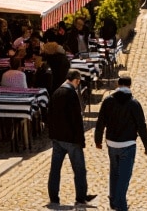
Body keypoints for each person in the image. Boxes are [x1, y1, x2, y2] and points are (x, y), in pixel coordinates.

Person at [95, 75, 147, 211]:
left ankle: (113, 200)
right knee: (124, 176)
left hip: (111, 143)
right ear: (130, 86)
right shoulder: (134, 103)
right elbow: (141, 125)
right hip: (127, 144)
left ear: (118, 85)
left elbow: (100, 121)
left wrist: (98, 140)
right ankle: (120, 205)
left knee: (114, 172)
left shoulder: (108, 101)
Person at [46, 71, 93, 209]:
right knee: (79, 170)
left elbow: (49, 115)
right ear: (77, 81)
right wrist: (81, 139)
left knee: (55, 169)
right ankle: (81, 197)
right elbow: (76, 120)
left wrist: (52, 135)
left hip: (57, 138)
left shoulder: (56, 93)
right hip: (71, 139)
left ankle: (53, 198)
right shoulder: (71, 94)